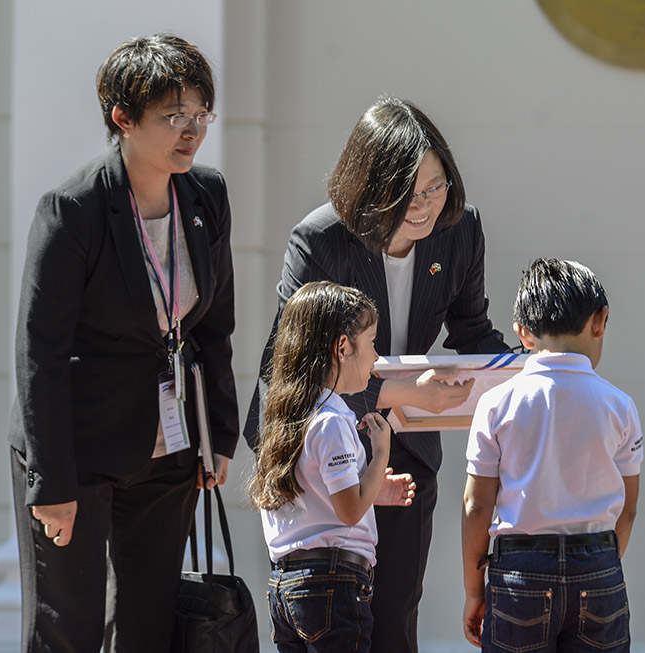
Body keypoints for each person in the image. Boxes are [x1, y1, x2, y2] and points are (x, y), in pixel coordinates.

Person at [243, 96, 508, 653]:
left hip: (408, 456)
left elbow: (472, 331)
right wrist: (397, 392)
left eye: (436, 187)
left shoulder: (461, 230)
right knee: (333, 626)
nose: (426, 206)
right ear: (369, 190)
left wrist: (530, 374)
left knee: (394, 621)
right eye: (408, 194)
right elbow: (286, 373)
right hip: (324, 467)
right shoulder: (319, 240)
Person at [8, 34, 239, 652]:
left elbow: (214, 327)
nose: (191, 131)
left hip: (168, 445)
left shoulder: (206, 195)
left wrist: (218, 430)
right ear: (123, 118)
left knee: (147, 623)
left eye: (199, 115)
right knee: (69, 627)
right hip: (76, 447)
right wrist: (51, 484)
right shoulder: (74, 209)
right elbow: (41, 355)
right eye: (172, 116)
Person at [462, 257, 643, 651]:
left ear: (523, 333)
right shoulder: (620, 405)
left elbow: (477, 505)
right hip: (598, 564)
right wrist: (602, 565)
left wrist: (475, 590)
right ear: (600, 320)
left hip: (518, 573)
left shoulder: (496, 404)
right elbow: (628, 507)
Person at [251, 281, 416, 652]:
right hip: (333, 584)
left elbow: (319, 497)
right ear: (343, 347)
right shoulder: (331, 421)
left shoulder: (286, 417)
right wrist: (381, 454)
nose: (376, 356)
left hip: (286, 586)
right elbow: (349, 510)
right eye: (372, 342)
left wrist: (373, 488)